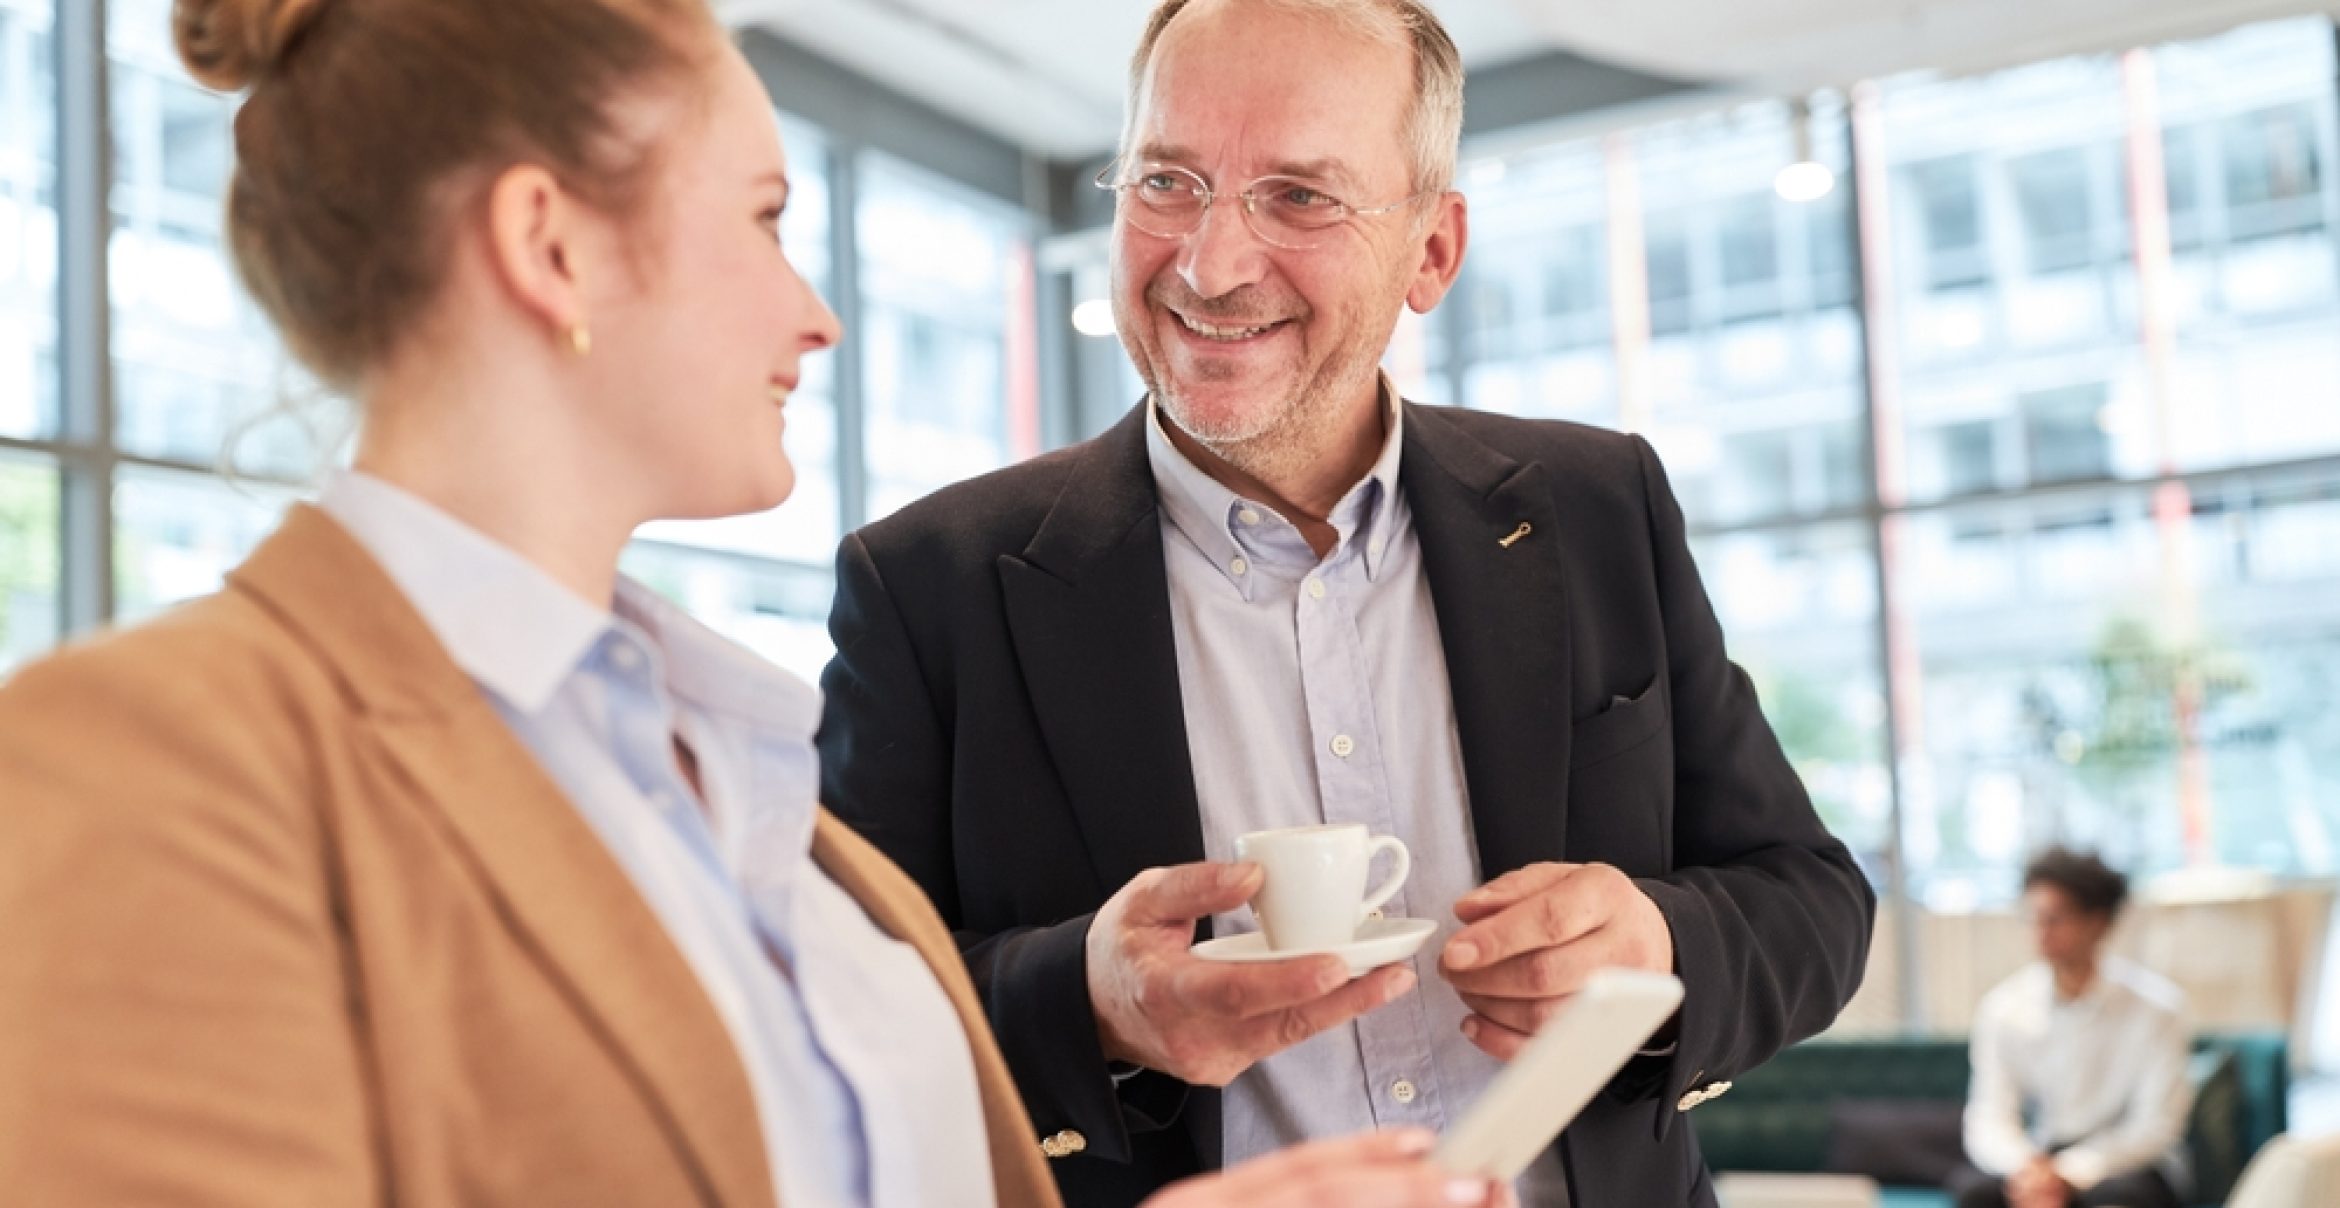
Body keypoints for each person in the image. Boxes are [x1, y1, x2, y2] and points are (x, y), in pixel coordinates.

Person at [0, 2, 1508, 1206]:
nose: (820, 311)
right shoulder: (145, 760)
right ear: (551, 247)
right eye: (767, 215)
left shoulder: (735, 761)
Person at [814, 1, 1878, 1205]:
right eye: (1168, 179)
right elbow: (824, 1003)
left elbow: (1810, 898)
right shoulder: (926, 584)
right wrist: (1087, 1003)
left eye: (1299, 197)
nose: (1210, 265)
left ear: (1431, 250)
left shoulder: (1598, 506)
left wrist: (1660, 945)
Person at [1949, 849, 2191, 1208]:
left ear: (2099, 922)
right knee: (1973, 1193)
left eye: (2055, 919)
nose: (2040, 932)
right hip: (2041, 1154)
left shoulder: (2158, 1009)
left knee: (2120, 1199)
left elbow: (2155, 1126)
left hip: (2127, 1164)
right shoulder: (2004, 1008)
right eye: (2033, 918)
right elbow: (1989, 1115)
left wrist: (2070, 1173)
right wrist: (2027, 1169)